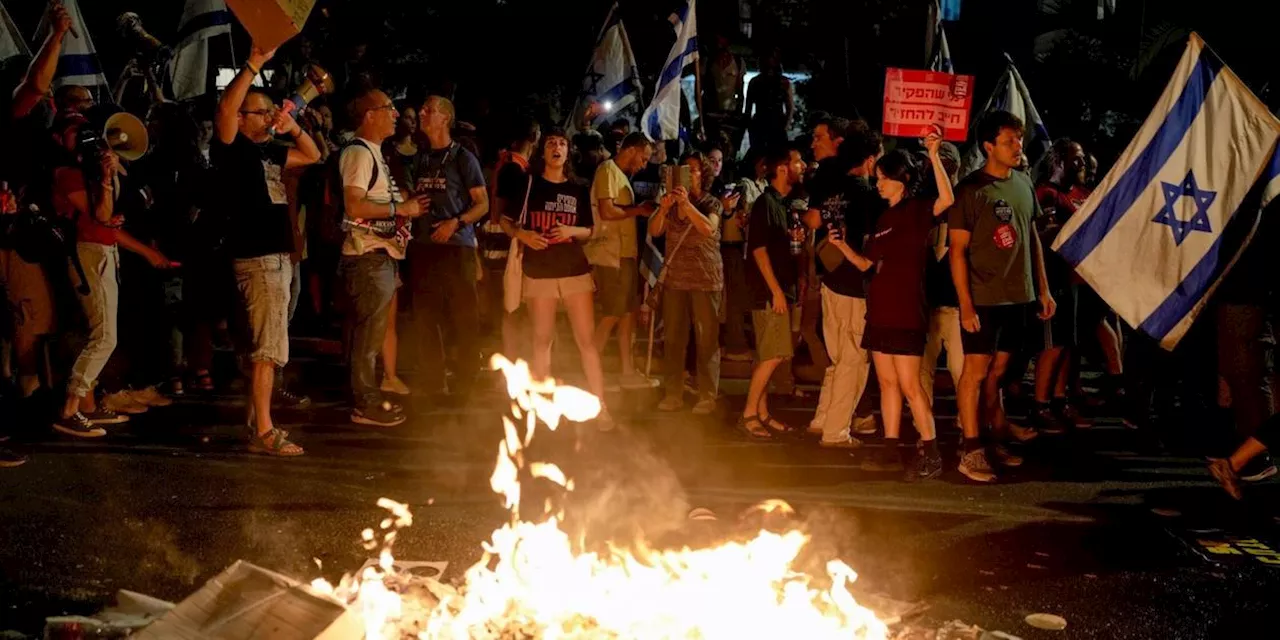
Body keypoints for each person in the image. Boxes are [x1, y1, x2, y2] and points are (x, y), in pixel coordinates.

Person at [212, 42, 322, 456]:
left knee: (264, 346)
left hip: (276, 259)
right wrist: (254, 63)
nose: (268, 116)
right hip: (259, 259)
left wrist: (289, 125)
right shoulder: (232, 149)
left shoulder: (270, 152)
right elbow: (225, 109)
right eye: (260, 112)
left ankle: (254, 423)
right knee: (267, 351)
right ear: (242, 119)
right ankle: (265, 430)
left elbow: (312, 154)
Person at [828, 133, 955, 480]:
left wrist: (933, 153)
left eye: (885, 178)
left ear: (904, 180)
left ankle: (930, 451)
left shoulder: (916, 211)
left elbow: (947, 198)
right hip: (881, 312)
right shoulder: (883, 219)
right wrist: (841, 247)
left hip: (906, 314)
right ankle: (891, 447)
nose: (879, 183)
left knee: (910, 384)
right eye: (879, 177)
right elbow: (868, 265)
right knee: (886, 383)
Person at [50, 110, 180, 437]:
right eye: (73, 131)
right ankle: (69, 408)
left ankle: (88, 407)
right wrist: (106, 182)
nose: (83, 136)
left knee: (103, 332)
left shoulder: (90, 171)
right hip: (89, 255)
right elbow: (101, 218)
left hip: (103, 254)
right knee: (105, 336)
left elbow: (108, 219)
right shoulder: (67, 173)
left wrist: (109, 178)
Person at [949, 111, 1055, 482]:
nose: (1017, 147)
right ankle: (970, 448)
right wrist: (965, 304)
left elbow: (1032, 239)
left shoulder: (1024, 183)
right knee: (975, 373)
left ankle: (994, 437)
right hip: (983, 299)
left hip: (1018, 297)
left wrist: (1042, 288)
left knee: (998, 371)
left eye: (1019, 141)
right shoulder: (970, 190)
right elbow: (957, 252)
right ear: (988, 146)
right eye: (1010, 141)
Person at [498, 129, 612, 428]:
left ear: (568, 152)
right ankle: (542, 408)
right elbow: (504, 220)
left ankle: (600, 406)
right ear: (543, 152)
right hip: (540, 272)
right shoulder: (529, 184)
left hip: (574, 271)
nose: (556, 148)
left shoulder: (578, 188)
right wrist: (523, 234)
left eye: (562, 143)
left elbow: (588, 230)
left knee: (586, 341)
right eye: (551, 143)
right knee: (541, 339)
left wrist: (570, 231)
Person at [338, 89, 428, 426]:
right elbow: (354, 205)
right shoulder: (359, 154)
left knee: (372, 334)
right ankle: (365, 402)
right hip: (367, 258)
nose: (396, 115)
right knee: (368, 336)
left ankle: (367, 396)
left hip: (380, 257)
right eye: (389, 108)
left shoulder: (374, 153)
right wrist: (400, 208)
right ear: (369, 115)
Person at [804, 121, 884, 448]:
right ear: (868, 159)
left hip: (831, 281)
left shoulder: (835, 190)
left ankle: (823, 418)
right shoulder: (866, 195)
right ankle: (836, 431)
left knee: (838, 360)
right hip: (854, 286)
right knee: (854, 361)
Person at [407, 95, 488, 397]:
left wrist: (456, 222)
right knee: (425, 317)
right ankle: (432, 379)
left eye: (429, 110)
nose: (422, 113)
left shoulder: (463, 158)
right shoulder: (420, 158)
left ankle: (466, 380)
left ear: (445, 118)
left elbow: (482, 204)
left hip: (456, 248)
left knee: (463, 317)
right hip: (424, 248)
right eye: (422, 108)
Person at [737, 146, 805, 439]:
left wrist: (796, 242)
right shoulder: (765, 202)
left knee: (766, 353)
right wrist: (776, 291)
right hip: (768, 293)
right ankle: (749, 413)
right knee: (775, 354)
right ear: (782, 168)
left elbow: (781, 248)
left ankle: (762, 413)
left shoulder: (784, 204)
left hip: (781, 289)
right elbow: (759, 250)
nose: (802, 166)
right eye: (797, 162)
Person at [650, 152, 724, 414]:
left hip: (705, 280)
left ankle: (707, 395)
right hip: (675, 280)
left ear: (703, 175)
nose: (688, 174)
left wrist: (686, 206)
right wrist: (665, 207)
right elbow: (655, 230)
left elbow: (708, 229)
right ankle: (673, 393)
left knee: (706, 340)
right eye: (683, 170)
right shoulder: (670, 203)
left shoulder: (711, 203)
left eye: (692, 170)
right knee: (673, 339)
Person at [1031, 139, 1094, 433]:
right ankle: (1040, 404)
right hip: (1053, 278)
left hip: (1076, 278)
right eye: (1076, 158)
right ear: (1059, 161)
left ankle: (1059, 398)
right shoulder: (1046, 193)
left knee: (1069, 344)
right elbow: (1037, 235)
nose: (1081, 164)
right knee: (1052, 344)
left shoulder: (1080, 194)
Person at [588, 133, 657, 389]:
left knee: (627, 313)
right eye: (644, 157)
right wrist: (639, 210)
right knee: (612, 313)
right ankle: (590, 366)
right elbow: (606, 211)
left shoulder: (622, 176)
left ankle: (627, 371)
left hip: (625, 255)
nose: (644, 164)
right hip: (610, 255)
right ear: (631, 150)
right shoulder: (607, 170)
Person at [484, 116, 540, 360]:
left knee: (513, 305)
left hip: (507, 237)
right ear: (534, 136)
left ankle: (516, 357)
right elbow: (500, 208)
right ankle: (509, 358)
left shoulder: (512, 164)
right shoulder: (513, 168)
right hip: (504, 239)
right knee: (509, 304)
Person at [919, 142, 965, 413]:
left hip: (958, 305)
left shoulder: (965, 202)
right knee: (922, 373)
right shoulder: (921, 205)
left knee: (964, 373)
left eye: (945, 163)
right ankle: (925, 430)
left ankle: (967, 426)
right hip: (926, 304)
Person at [744, 51, 794, 155]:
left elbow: (790, 107)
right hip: (760, 124)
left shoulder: (783, 82)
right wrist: (750, 127)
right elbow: (748, 108)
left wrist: (785, 126)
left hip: (776, 125)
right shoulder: (755, 82)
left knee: (777, 157)